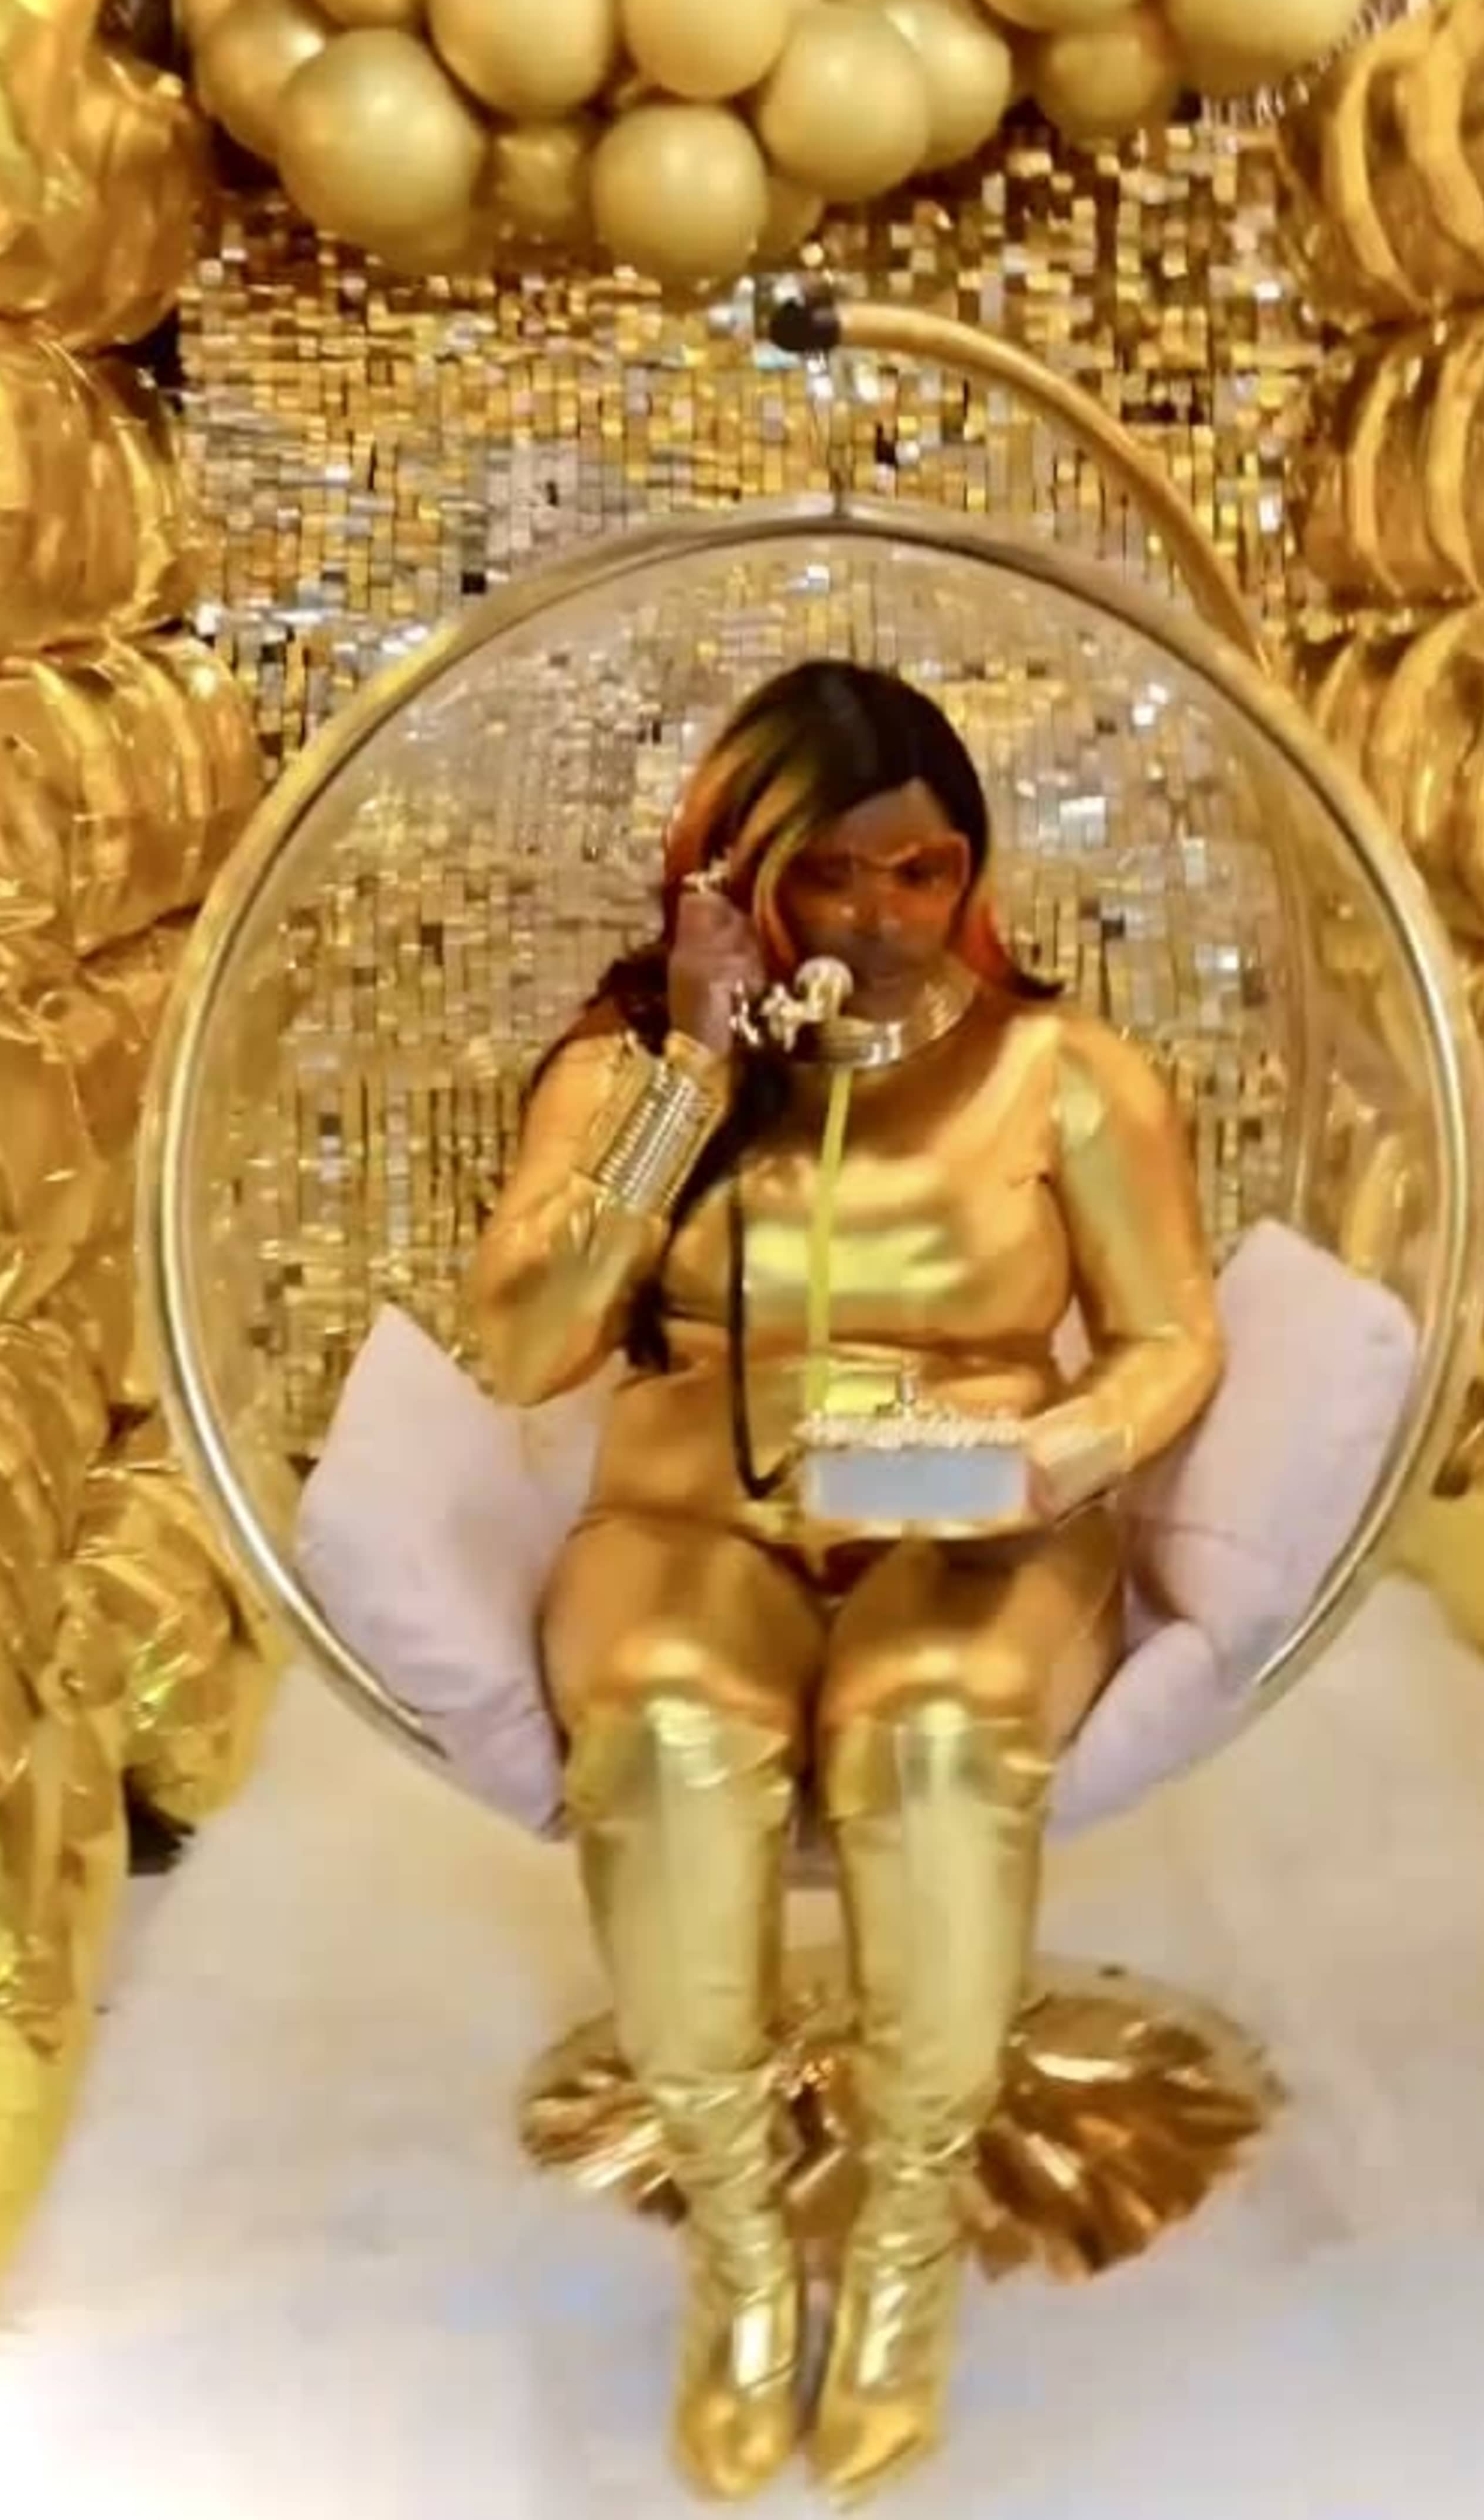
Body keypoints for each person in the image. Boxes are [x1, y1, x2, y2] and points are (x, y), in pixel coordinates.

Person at [465, 660, 1223, 2502]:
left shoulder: (1071, 1075)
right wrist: (694, 1081)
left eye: (920, 870)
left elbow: (1171, 1340)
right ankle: (738, 2247)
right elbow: (521, 1347)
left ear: (968, 866)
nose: (881, 921)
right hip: (693, 1514)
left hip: (980, 1510)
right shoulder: (626, 1075)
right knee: (657, 1733)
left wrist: (1050, 1459)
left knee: (939, 1738)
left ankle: (899, 2252)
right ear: (735, 877)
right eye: (830, 880)